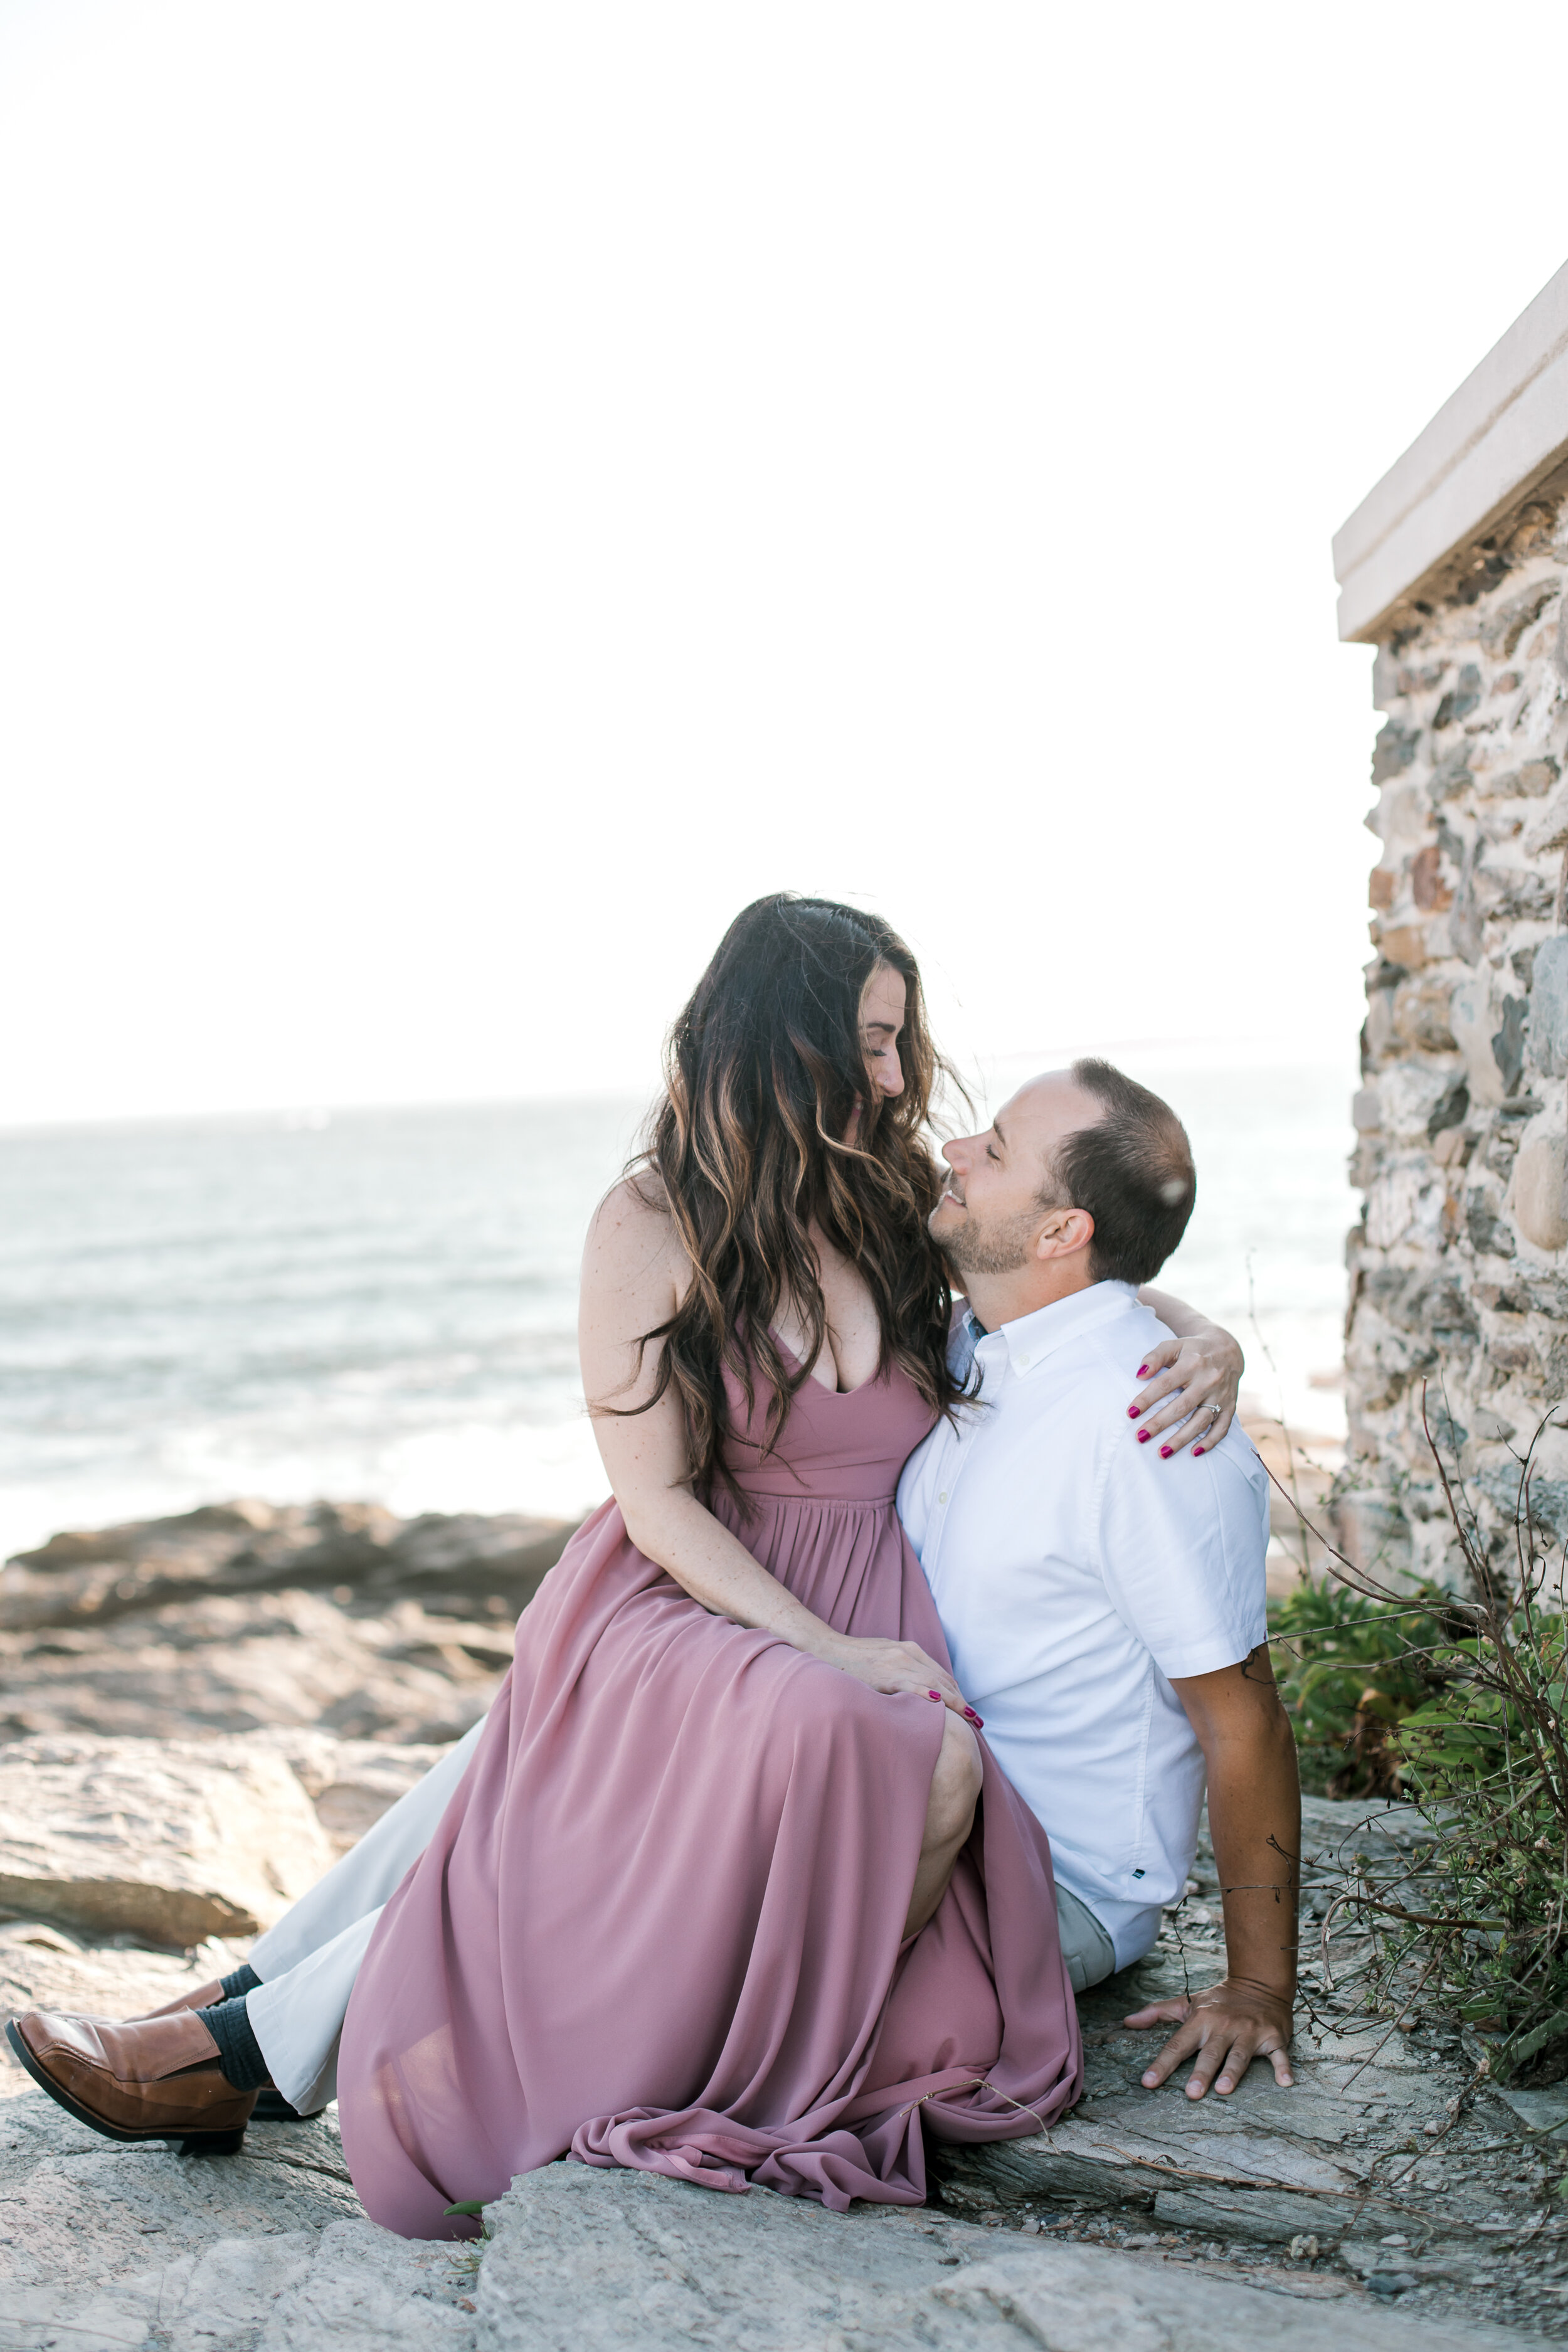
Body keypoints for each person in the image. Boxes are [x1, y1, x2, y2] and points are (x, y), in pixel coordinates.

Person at [8, 897, 1248, 2227]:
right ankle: (239, 2033)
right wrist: (820, 1649)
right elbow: (654, 1502)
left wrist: (1196, 1334)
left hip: (868, 1605)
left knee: (513, 1785)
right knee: (542, 1797)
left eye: (900, 1045)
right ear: (783, 1041)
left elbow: (1054, 1284)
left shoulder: (896, 1204)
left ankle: (234, 2032)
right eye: (872, 1043)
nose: (896, 1080)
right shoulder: (648, 1223)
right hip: (697, 1587)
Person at [899, 1061, 1297, 2099]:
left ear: (1059, 1231)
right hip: (912, 1813)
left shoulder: (1155, 1428)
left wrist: (1259, 1985)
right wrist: (1206, 1325)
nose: (954, 1153)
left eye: (991, 1149)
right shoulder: (981, 1340)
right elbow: (1113, 1291)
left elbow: (1241, 1719)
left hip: (1045, 1887)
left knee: (753, 2006)